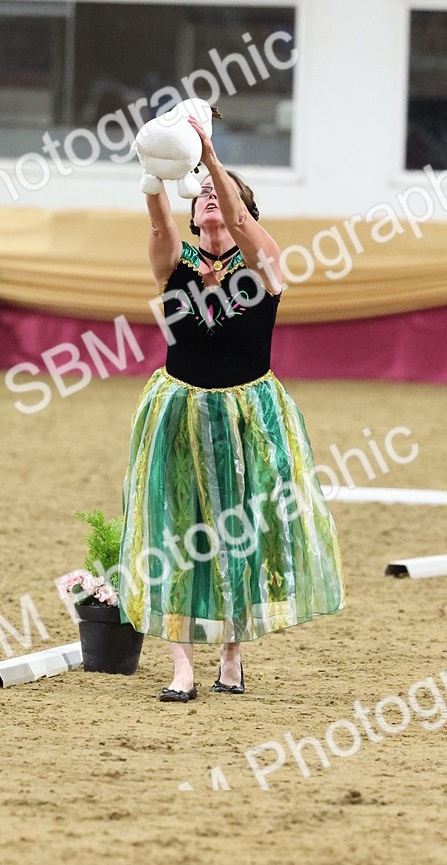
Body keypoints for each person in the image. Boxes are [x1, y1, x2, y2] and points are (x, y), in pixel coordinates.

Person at [117, 117, 345, 702]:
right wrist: (154, 173)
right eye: (203, 194)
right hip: (178, 408)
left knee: (237, 532)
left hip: (249, 412)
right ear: (193, 212)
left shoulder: (265, 267)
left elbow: (242, 225)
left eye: (224, 193)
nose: (212, 197)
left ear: (245, 208)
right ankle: (181, 668)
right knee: (172, 528)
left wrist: (211, 157)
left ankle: (231, 655)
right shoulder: (174, 264)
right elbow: (158, 224)